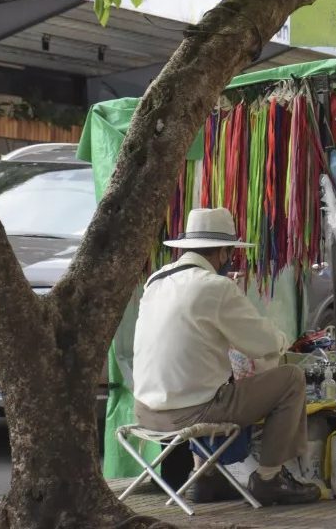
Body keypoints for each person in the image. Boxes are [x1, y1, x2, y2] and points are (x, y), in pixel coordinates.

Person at [132, 207, 319, 506]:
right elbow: (264, 344)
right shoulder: (216, 286)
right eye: (230, 253)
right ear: (223, 253)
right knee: (290, 380)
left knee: (218, 378)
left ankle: (205, 475)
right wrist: (283, 341)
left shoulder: (157, 280)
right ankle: (269, 478)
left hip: (145, 410)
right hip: (191, 413)